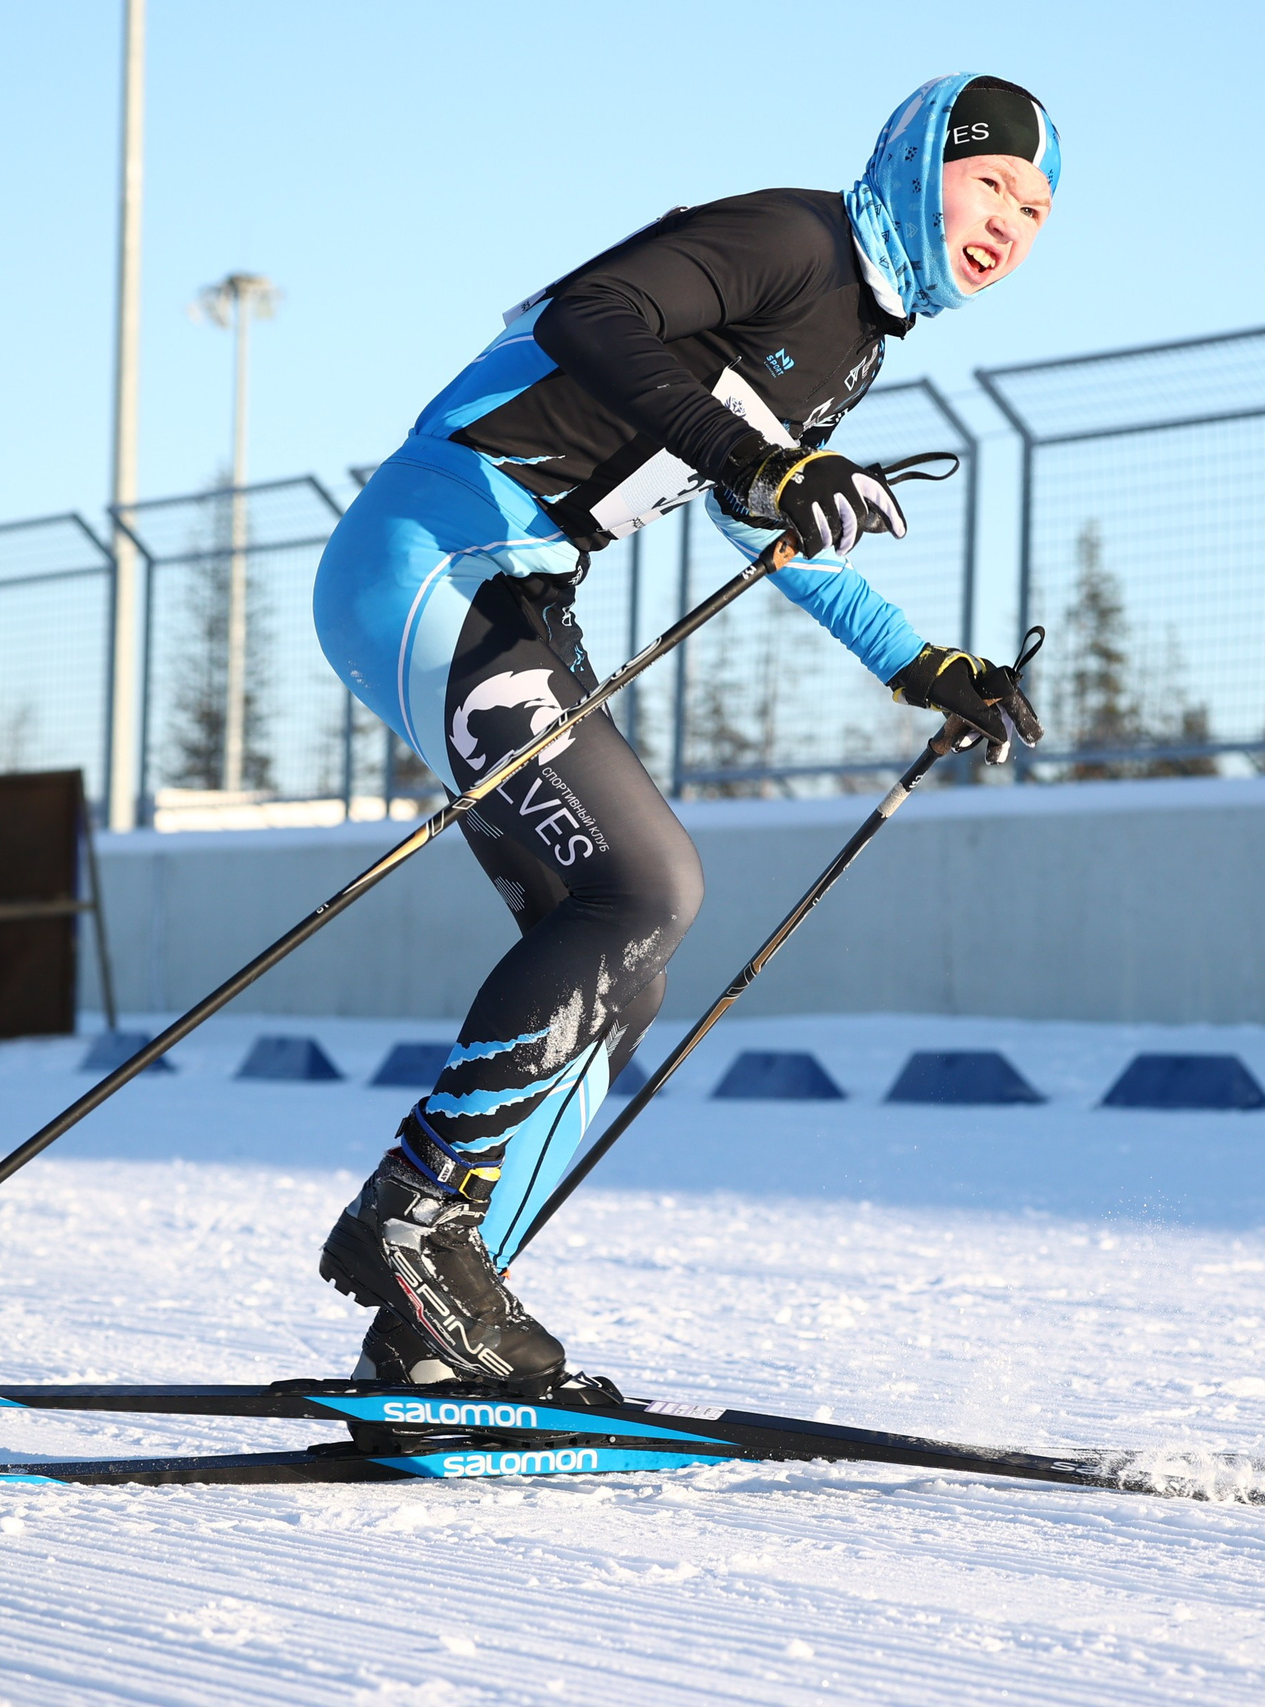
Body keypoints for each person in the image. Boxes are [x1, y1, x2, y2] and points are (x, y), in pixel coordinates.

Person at [311, 74, 1058, 1398]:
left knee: (620, 977)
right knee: (646, 889)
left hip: (517, 592)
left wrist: (921, 664)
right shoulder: (795, 243)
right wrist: (770, 462)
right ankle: (420, 1216)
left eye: (1039, 207)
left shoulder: (855, 340)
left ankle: (433, 1328)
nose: (1015, 217)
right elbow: (588, 316)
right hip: (437, 556)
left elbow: (764, 525)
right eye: (993, 177)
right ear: (920, 158)